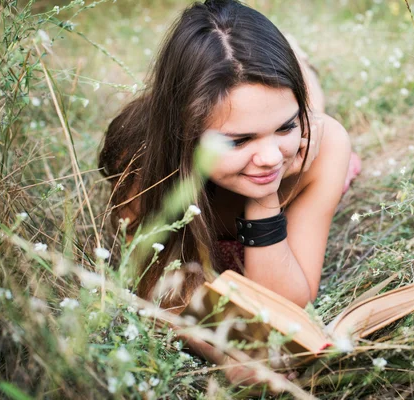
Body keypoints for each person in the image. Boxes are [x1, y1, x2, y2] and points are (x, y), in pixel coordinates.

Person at [98, 0, 361, 389]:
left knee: (313, 116)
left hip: (309, 130)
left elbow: (288, 304)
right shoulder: (141, 157)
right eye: (238, 139)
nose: (271, 157)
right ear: (186, 133)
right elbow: (153, 281)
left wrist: (265, 198)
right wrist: (222, 350)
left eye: (286, 125)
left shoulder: (318, 146)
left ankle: (300, 70)